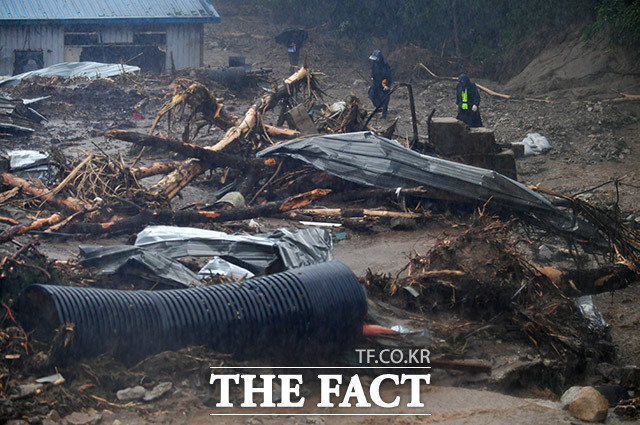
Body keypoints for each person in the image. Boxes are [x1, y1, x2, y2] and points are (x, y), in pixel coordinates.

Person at [368, 50, 392, 119]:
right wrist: (372, 76)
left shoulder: (386, 65)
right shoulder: (374, 63)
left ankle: (384, 114)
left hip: (383, 83)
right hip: (376, 83)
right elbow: (373, 71)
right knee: (371, 94)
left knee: (385, 99)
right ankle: (378, 107)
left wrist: (387, 85)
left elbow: (389, 76)